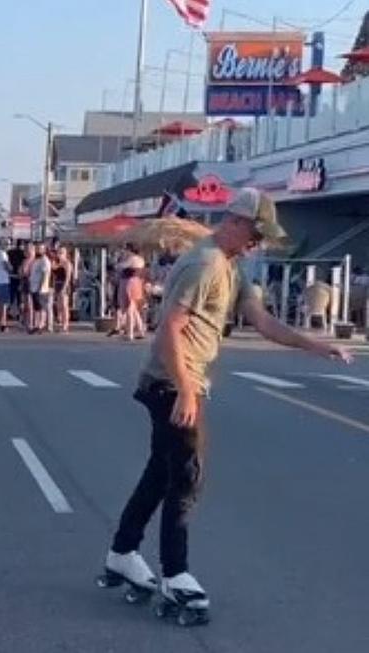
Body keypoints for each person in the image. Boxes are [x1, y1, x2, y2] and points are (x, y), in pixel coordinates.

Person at [100, 188, 353, 623]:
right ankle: (175, 573)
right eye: (255, 233)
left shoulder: (232, 268)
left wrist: (315, 345)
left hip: (181, 382)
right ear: (234, 221)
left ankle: (122, 552)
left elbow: (263, 321)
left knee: (161, 474)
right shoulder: (204, 264)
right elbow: (169, 329)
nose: (258, 243)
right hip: (172, 382)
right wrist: (183, 389)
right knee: (186, 477)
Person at [119, 244, 148, 341]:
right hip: (137, 282)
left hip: (129, 282)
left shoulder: (132, 259)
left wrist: (120, 260)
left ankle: (130, 333)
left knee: (129, 309)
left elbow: (121, 266)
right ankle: (140, 330)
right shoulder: (141, 259)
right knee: (134, 308)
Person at [28, 242, 53, 333]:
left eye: (40, 248)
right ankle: (37, 324)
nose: (38, 250)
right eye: (37, 248)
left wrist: (41, 287)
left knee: (41, 307)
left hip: (41, 288)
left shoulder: (44, 261)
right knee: (36, 307)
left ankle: (40, 325)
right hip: (34, 287)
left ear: (44, 250)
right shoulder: (37, 260)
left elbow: (45, 275)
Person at [52, 246, 73, 333]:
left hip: (64, 284)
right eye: (59, 253)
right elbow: (53, 271)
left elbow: (68, 277)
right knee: (59, 305)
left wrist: (64, 287)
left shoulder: (67, 263)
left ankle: (65, 325)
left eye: (62, 253)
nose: (60, 254)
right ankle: (60, 323)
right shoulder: (57, 263)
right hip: (57, 284)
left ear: (65, 254)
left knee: (64, 305)